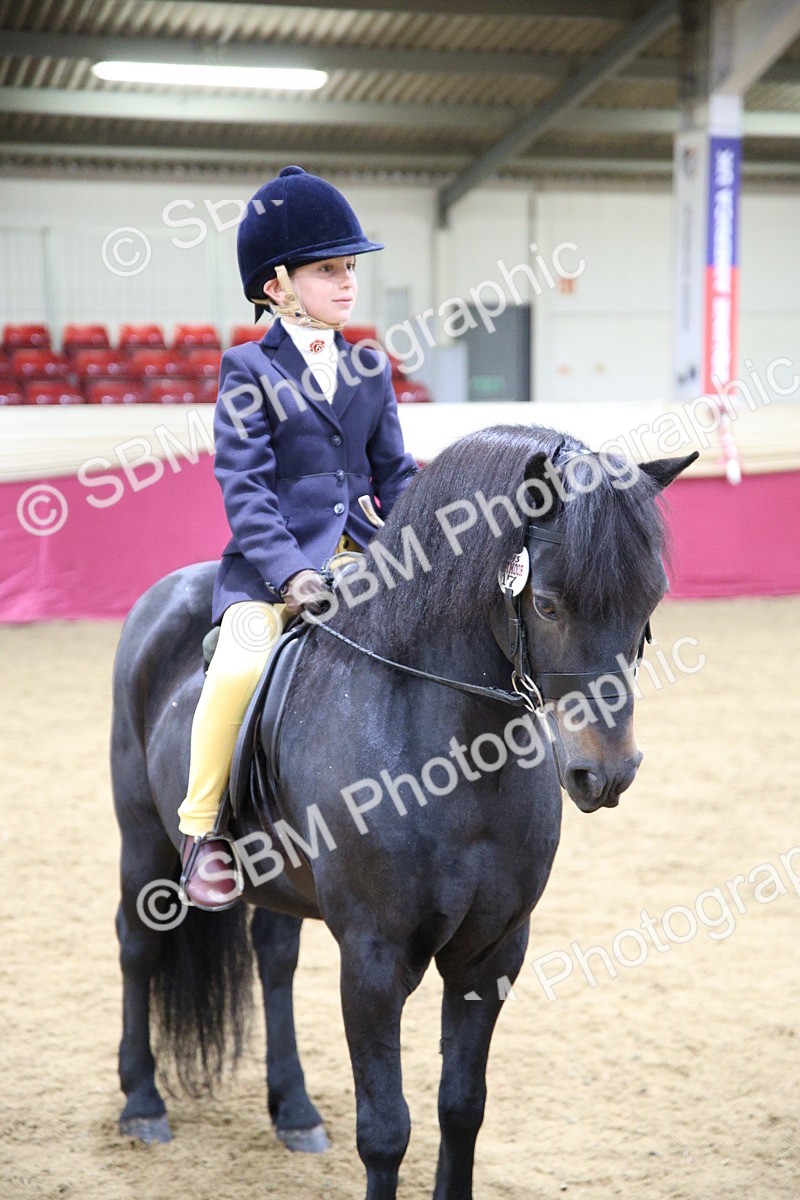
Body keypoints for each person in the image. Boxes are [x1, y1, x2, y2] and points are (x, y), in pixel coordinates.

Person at [177, 165, 419, 910]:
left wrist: (430, 539)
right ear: (276, 285)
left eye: (350, 268)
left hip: (362, 556)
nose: (347, 283)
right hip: (271, 572)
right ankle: (204, 831)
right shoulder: (247, 370)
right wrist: (288, 576)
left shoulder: (371, 367)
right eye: (328, 269)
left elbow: (396, 475)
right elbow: (245, 488)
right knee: (242, 660)